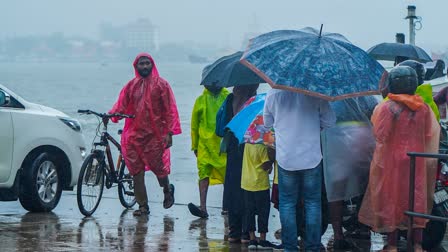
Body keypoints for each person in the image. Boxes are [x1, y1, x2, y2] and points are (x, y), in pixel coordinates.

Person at [358, 66, 440, 252]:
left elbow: (380, 134)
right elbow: (429, 134)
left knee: (391, 201)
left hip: (391, 162)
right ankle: (417, 245)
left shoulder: (388, 107)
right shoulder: (423, 108)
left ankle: (393, 245)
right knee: (416, 200)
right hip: (417, 161)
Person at [109, 52, 181, 216]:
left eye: (147, 63)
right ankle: (143, 206)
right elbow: (121, 105)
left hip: (154, 135)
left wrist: (169, 133)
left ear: (152, 65)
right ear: (136, 66)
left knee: (158, 168)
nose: (144, 66)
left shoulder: (162, 85)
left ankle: (167, 188)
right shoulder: (131, 86)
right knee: (136, 170)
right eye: (141, 64)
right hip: (133, 135)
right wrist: (111, 116)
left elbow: (170, 110)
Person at [263, 90, 336, 252]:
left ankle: (290, 247)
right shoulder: (316, 92)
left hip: (286, 158)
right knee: (312, 203)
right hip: (311, 157)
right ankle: (313, 246)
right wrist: (316, 125)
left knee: (287, 203)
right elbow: (330, 122)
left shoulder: (273, 94)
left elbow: (267, 123)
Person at [321, 96, 378, 250]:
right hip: (362, 137)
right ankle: (364, 227)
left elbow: (320, 117)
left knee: (336, 189)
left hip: (335, 139)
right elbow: (374, 111)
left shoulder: (327, 94)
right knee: (366, 184)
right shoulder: (363, 90)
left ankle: (338, 234)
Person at [216, 84, 259, 243]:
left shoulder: (230, 99)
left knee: (233, 187)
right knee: (247, 189)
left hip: (232, 148)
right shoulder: (254, 101)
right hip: (249, 148)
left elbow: (224, 126)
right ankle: (246, 232)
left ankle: (234, 231)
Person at [188, 84, 229, 218]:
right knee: (203, 174)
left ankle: (226, 206)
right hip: (204, 145)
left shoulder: (228, 97)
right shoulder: (201, 100)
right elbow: (194, 125)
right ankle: (203, 207)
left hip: (222, 144)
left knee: (227, 176)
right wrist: (194, 145)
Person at [241, 143, 276, 250]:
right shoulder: (261, 148)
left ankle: (252, 239)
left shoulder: (247, 145)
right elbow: (266, 166)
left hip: (246, 183)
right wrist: (272, 159)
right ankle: (262, 239)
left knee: (249, 211)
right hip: (260, 184)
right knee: (263, 212)